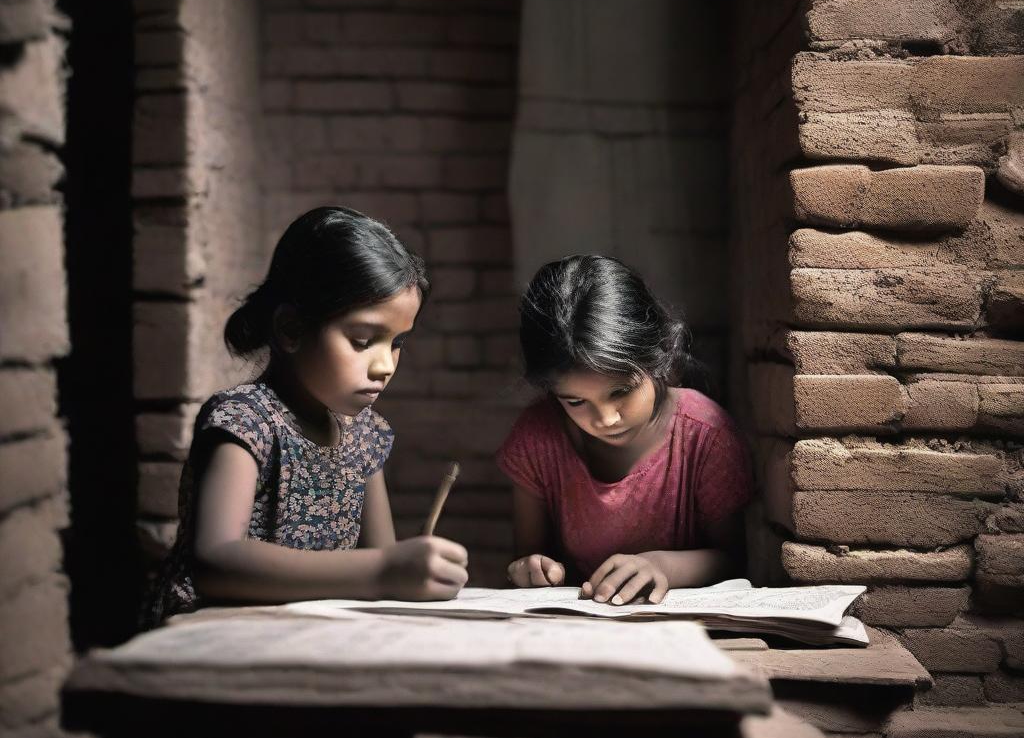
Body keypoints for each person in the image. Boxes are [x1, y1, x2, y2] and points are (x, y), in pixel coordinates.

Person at [144, 205, 469, 628]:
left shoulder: (364, 435)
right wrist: (384, 571)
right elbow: (216, 559)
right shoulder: (245, 422)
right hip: (212, 635)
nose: (385, 365)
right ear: (291, 329)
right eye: (363, 340)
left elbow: (379, 560)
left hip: (307, 634)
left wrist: (411, 574)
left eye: (397, 343)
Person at [497, 254, 753, 606]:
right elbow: (527, 559)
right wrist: (533, 569)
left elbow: (737, 560)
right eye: (575, 402)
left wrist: (661, 566)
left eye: (621, 392)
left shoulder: (706, 435)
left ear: (657, 357)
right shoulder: (537, 439)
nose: (606, 419)